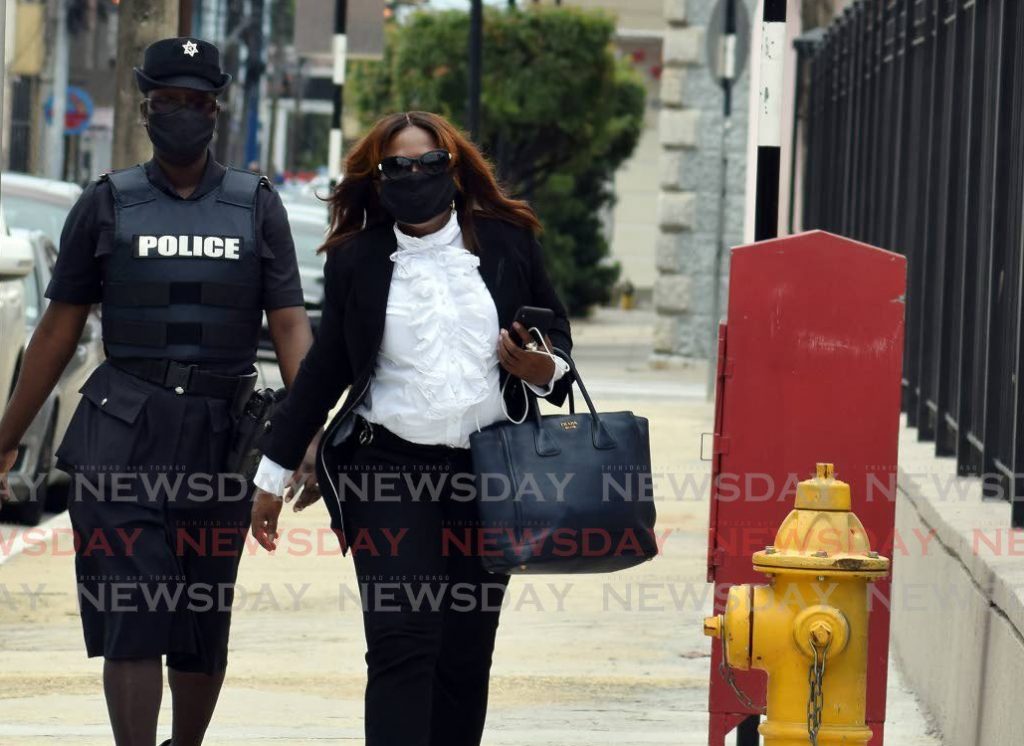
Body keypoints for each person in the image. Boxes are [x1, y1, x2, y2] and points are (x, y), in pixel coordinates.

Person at [0, 37, 317, 746]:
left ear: (215, 111)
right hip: (122, 429)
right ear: (147, 108)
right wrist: (7, 434)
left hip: (221, 436)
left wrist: (307, 432)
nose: (181, 112)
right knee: (134, 609)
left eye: (195, 102)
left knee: (202, 619)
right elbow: (57, 327)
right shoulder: (107, 203)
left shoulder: (256, 205)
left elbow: (291, 325)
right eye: (167, 100)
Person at [249, 111, 575, 746]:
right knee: (402, 641)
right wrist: (272, 474)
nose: (416, 176)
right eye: (399, 166)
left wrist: (538, 366)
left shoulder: (507, 243)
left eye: (430, 164)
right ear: (378, 178)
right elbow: (322, 373)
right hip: (389, 472)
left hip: (490, 476)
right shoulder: (357, 261)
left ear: (454, 173)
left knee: (464, 650)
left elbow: (557, 344)